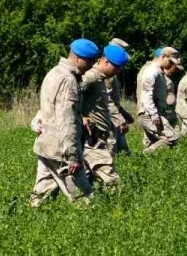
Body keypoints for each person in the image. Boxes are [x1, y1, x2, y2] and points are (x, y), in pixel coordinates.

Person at [31, 39, 99, 206]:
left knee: (42, 195)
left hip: (46, 143)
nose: (91, 65)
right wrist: (72, 156)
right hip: (60, 148)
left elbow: (47, 109)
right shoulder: (68, 80)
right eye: (89, 61)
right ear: (77, 58)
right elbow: (66, 120)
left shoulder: (53, 72)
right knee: (84, 199)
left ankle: (31, 223)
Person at [80, 42, 130, 188]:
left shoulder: (100, 78)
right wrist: (82, 116)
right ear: (105, 61)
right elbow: (72, 95)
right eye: (116, 66)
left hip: (99, 135)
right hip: (91, 137)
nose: (118, 71)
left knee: (86, 178)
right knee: (112, 179)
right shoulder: (91, 77)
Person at [136, 46, 182, 152]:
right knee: (172, 137)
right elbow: (146, 94)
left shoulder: (158, 71)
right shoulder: (152, 71)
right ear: (163, 56)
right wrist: (153, 114)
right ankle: (146, 154)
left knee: (152, 140)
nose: (171, 65)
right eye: (170, 62)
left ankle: (148, 160)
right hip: (149, 113)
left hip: (155, 112)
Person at [106, 37, 134, 154]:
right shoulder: (108, 73)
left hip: (114, 116)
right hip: (108, 118)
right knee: (110, 149)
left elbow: (113, 100)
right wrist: (120, 119)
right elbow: (107, 100)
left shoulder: (112, 73)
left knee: (123, 151)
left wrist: (123, 112)